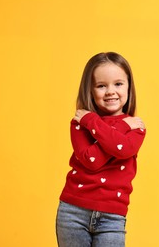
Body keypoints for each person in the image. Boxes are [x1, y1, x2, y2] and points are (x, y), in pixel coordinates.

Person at [56, 52, 146, 247]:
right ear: (90, 90)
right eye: (101, 85)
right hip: (73, 212)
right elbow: (91, 161)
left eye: (118, 84)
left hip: (112, 216)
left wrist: (95, 122)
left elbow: (121, 149)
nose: (110, 91)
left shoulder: (136, 126)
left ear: (129, 86)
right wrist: (114, 125)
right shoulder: (80, 123)